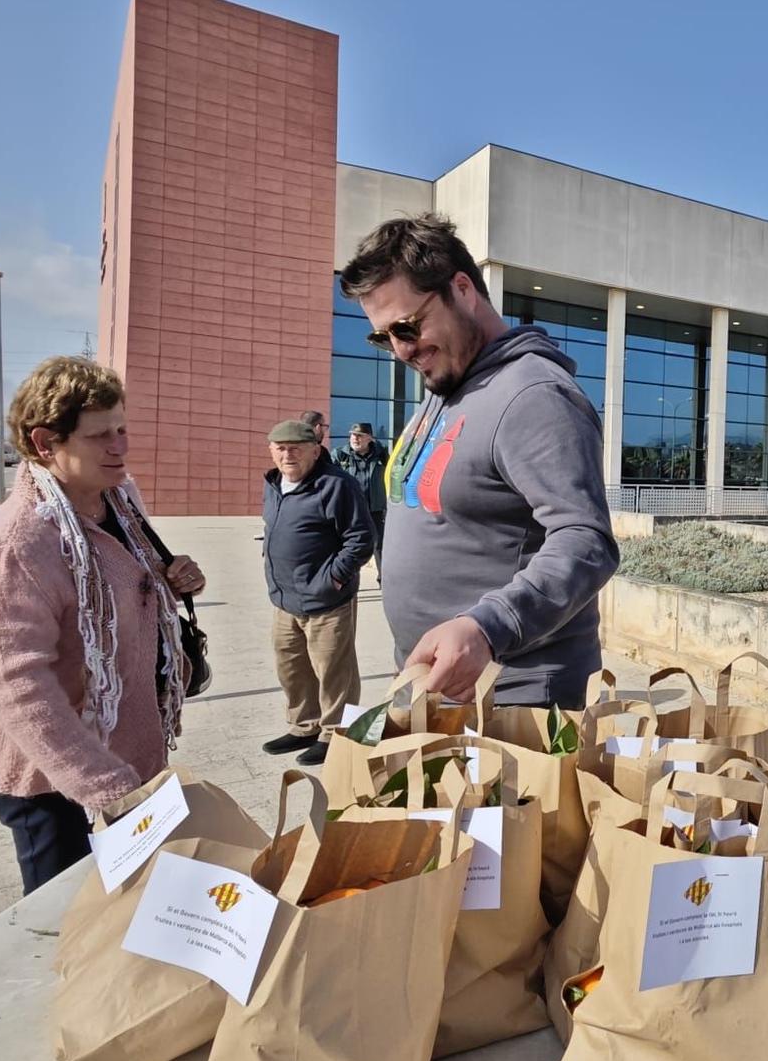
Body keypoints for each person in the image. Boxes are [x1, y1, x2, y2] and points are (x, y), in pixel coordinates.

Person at [340, 212, 617, 708]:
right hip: (439, 691)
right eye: (384, 337)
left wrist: (487, 628)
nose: (400, 351)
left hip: (512, 703)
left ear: (463, 289)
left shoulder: (534, 395)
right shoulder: (445, 383)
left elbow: (585, 542)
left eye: (407, 326)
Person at [0, 358, 206, 892]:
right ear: (46, 443)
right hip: (45, 769)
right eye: (99, 436)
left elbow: (123, 573)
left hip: (120, 743)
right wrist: (106, 785)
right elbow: (17, 684)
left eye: (122, 429)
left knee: (131, 895)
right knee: (64, 910)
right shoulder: (16, 546)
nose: (120, 447)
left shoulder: (114, 496)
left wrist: (172, 576)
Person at [262, 418, 374, 765]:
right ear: (271, 451)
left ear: (315, 449)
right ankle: (304, 726)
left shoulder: (336, 485)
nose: (287, 454)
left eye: (296, 448)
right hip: (285, 599)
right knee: (291, 667)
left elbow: (361, 539)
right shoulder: (273, 484)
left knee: (333, 672)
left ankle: (336, 734)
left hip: (327, 600)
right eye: (280, 448)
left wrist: (334, 579)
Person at [334, 420, 389, 581]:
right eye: (352, 436)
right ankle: (345, 578)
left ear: (370, 439)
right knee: (349, 545)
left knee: (379, 545)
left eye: (359, 436)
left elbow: (393, 476)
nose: (355, 439)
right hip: (350, 510)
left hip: (375, 509)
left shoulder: (381, 455)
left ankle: (384, 580)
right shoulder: (339, 455)